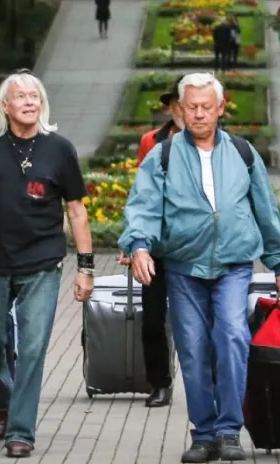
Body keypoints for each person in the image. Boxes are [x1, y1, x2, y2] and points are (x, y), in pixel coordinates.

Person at [119, 72, 280, 464]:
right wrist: (139, 246)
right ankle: (203, 434)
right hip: (183, 267)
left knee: (233, 336)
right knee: (194, 348)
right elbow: (143, 206)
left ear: (220, 108)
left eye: (206, 107)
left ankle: (229, 430)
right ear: (180, 110)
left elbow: (265, 210)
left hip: (234, 264)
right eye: (191, 107)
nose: (198, 114)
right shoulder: (162, 155)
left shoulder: (243, 152)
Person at [0, 71, 95, 459]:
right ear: (6, 106)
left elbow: (77, 211)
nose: (30, 102)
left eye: (35, 96)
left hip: (42, 262)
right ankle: (2, 398)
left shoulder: (59, 149)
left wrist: (86, 267)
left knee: (32, 349)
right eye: (22, 97)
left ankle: (21, 430)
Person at [116, 80, 185, 408]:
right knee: (152, 316)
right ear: (172, 108)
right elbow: (140, 194)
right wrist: (132, 240)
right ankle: (159, 383)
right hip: (155, 245)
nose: (185, 110)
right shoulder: (152, 141)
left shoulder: (218, 143)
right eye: (178, 104)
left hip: (191, 246)